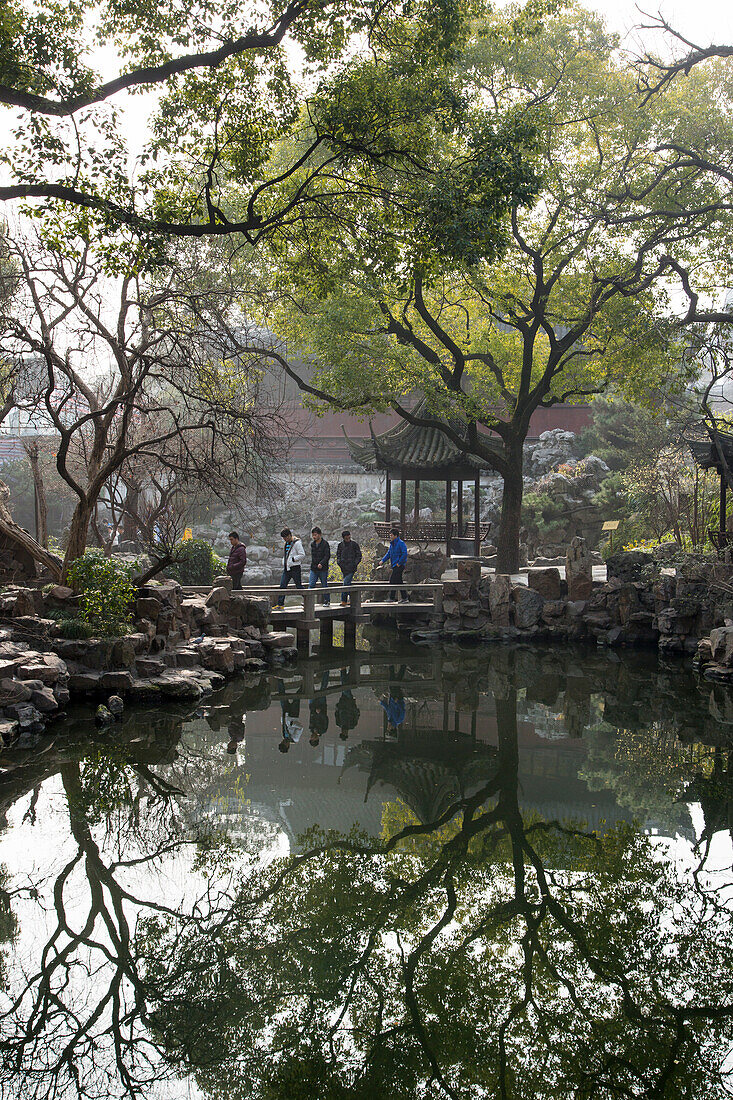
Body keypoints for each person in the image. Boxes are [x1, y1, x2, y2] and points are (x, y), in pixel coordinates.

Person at [273, 528, 305, 609]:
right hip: (287, 568)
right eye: (283, 538)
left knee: (299, 586)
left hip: (295, 568)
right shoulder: (286, 544)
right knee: (282, 585)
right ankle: (280, 604)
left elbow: (302, 555)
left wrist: (293, 559)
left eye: (286, 537)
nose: (285, 539)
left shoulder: (297, 543)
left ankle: (308, 600)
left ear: (290, 535)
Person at [380, 526, 408, 602]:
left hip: (399, 565)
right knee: (399, 582)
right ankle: (405, 598)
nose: (390, 537)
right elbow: (388, 554)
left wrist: (399, 563)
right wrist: (383, 560)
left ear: (396, 536)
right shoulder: (392, 544)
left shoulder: (401, 543)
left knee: (392, 580)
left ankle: (392, 598)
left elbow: (404, 554)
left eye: (391, 535)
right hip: (394, 565)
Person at [336, 529, 362, 606]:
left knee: (346, 583)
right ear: (343, 538)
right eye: (346, 538)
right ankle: (352, 600)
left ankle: (343, 600)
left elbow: (359, 555)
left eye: (349, 538)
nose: (348, 539)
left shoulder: (354, 545)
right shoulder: (340, 545)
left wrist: (355, 563)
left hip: (351, 568)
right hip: (343, 568)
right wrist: (339, 563)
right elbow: (338, 555)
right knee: (348, 584)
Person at [309, 526, 330, 606]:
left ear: (320, 535)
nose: (314, 537)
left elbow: (327, 556)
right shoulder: (312, 544)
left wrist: (321, 563)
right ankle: (308, 601)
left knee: (324, 584)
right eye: (313, 535)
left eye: (315, 535)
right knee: (311, 584)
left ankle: (327, 600)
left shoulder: (325, 544)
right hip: (314, 568)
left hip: (323, 568)